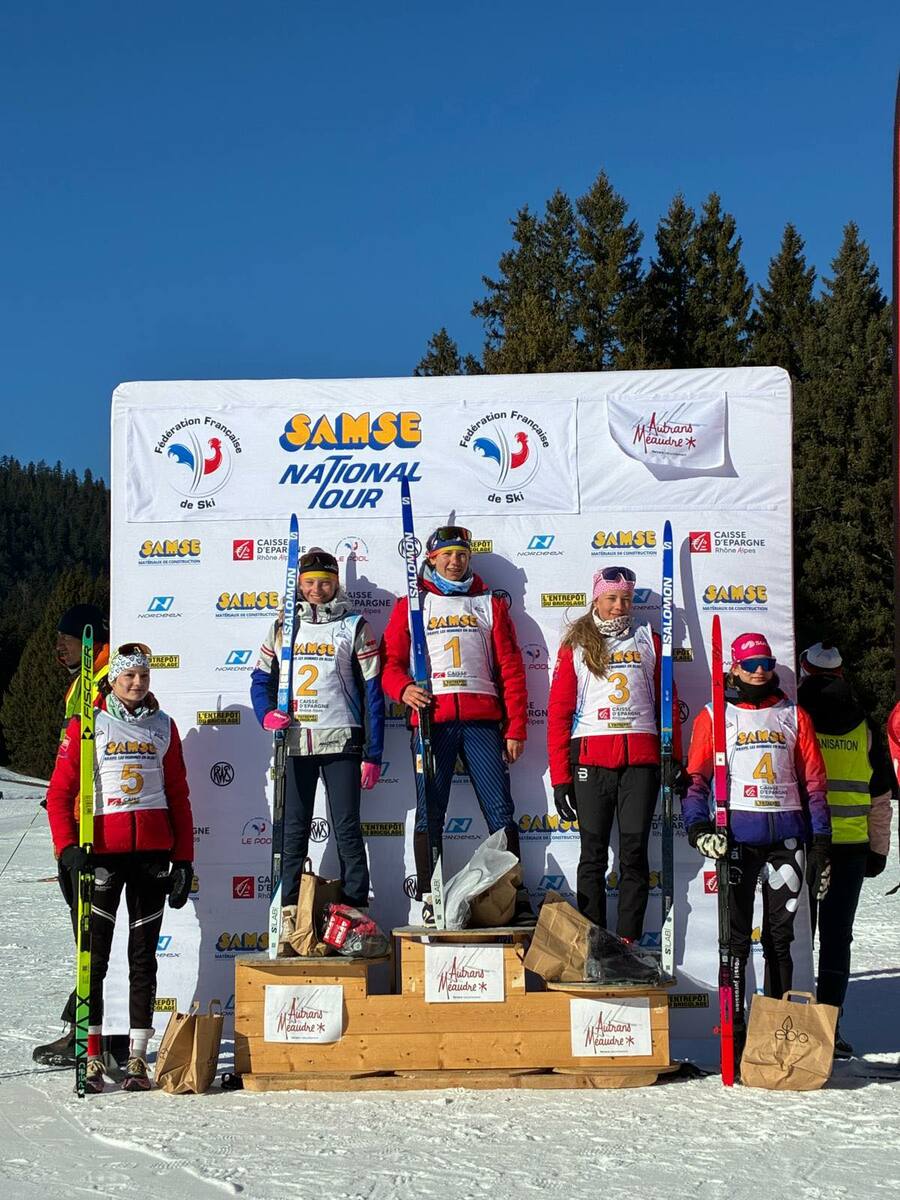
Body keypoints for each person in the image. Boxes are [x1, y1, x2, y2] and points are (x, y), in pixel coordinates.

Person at [45, 643, 194, 1092]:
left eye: (143, 675)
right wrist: (67, 848)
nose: (137, 683)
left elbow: (178, 794)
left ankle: (136, 1057)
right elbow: (59, 793)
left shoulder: (163, 725)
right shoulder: (88, 723)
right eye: (128, 676)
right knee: (94, 959)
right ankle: (91, 1054)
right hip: (102, 852)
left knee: (143, 957)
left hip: (151, 854)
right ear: (111, 680)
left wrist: (184, 858)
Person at [682, 632, 831, 1066]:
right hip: (738, 841)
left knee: (780, 940)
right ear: (735, 668)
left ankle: (779, 1032)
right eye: (750, 664)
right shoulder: (715, 714)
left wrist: (821, 842)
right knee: (734, 941)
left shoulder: (793, 715)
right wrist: (698, 829)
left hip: (787, 840)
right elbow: (696, 781)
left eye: (765, 662)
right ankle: (738, 1031)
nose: (760, 670)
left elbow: (815, 783)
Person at [380, 524, 530, 925]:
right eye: (446, 555)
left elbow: (511, 669)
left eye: (461, 554)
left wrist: (516, 728)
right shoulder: (412, 604)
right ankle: (431, 899)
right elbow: (390, 663)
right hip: (433, 722)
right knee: (431, 811)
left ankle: (515, 897)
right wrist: (403, 689)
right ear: (432, 559)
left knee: (500, 811)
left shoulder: (488, 603)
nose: (454, 561)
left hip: (482, 722)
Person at [547, 566, 682, 942]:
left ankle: (627, 942)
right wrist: (560, 778)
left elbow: (668, 704)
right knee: (592, 855)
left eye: (625, 599)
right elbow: (558, 713)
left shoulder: (649, 639)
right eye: (611, 599)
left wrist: (673, 757)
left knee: (634, 854)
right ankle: (593, 941)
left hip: (641, 762)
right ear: (596, 599)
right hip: (591, 761)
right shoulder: (576, 644)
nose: (619, 606)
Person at [250, 548, 384, 914]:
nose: (316, 590)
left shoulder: (354, 625)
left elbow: (373, 692)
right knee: (292, 831)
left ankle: (355, 909)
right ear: (299, 584)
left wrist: (373, 753)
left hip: (342, 740)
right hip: (296, 743)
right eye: (309, 582)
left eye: (325, 583)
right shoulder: (283, 626)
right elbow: (261, 679)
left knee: (347, 829)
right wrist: (265, 714)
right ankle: (289, 911)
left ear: (336, 584)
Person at [798, 642, 894, 1057]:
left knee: (796, 938)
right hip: (851, 846)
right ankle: (830, 1029)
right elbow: (880, 794)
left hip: (802, 844)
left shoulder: (794, 716)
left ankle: (792, 1027)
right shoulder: (863, 723)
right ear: (840, 674)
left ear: (804, 671)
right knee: (838, 938)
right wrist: (879, 850)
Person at [33, 603, 110, 1068]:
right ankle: (87, 1027)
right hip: (76, 820)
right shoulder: (83, 680)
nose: (58, 648)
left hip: (96, 824)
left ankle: (87, 1030)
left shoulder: (105, 679)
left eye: (65, 639)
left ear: (88, 638)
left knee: (92, 932)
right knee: (87, 931)